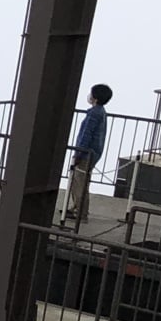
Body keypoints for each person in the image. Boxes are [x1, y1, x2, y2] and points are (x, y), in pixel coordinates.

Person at [66, 83, 113, 227]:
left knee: (80, 183)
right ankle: (76, 208)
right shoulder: (101, 112)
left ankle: (81, 213)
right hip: (93, 153)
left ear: (95, 98)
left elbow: (86, 135)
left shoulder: (94, 113)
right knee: (78, 182)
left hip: (86, 154)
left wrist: (78, 153)